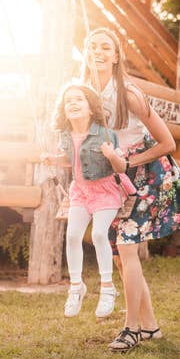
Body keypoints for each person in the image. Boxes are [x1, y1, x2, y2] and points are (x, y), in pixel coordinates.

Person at [81, 27, 180, 352]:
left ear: (116, 56)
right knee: (120, 256)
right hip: (115, 180)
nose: (99, 51)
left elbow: (166, 143)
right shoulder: (85, 94)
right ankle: (150, 327)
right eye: (93, 46)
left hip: (147, 175)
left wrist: (130, 160)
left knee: (127, 248)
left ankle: (130, 328)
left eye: (106, 47)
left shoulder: (129, 94)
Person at [43, 83, 135, 319]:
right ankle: (76, 286)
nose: (73, 103)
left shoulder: (105, 133)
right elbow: (71, 158)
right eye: (68, 100)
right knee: (72, 235)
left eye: (79, 99)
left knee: (98, 234)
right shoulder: (65, 135)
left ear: (91, 108)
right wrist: (53, 160)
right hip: (81, 192)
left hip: (105, 190)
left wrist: (111, 154)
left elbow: (119, 166)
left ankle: (107, 287)